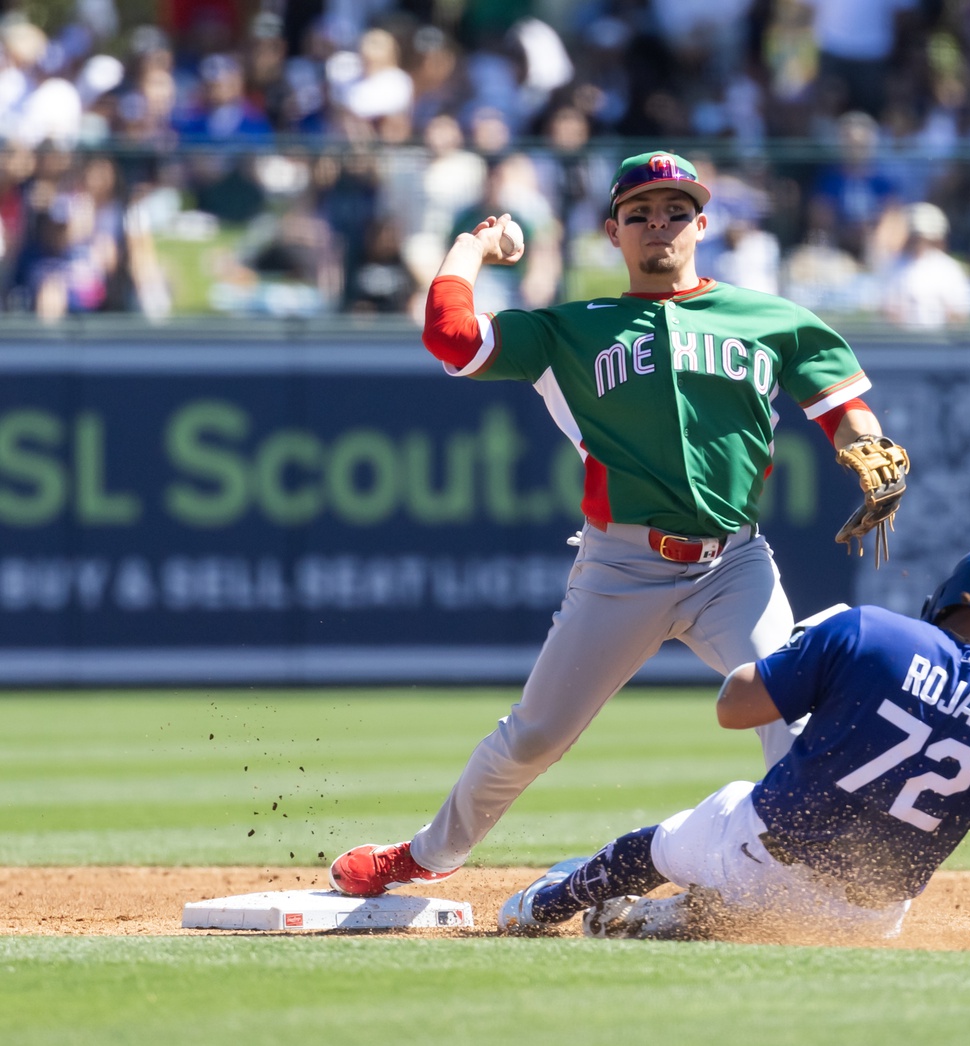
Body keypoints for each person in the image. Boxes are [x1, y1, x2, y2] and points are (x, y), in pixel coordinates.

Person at [329, 150, 901, 897]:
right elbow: (452, 339)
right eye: (639, 214)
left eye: (674, 211)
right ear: (613, 232)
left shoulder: (771, 320)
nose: (658, 224)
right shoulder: (572, 332)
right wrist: (473, 247)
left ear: (703, 224)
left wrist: (863, 443)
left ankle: (825, 869)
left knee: (790, 713)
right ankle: (427, 856)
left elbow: (843, 409)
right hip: (622, 567)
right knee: (534, 734)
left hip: (735, 565)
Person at [495, 543, 970, 949]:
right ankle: (678, 923)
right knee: (737, 895)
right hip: (868, 921)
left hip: (756, 857)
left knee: (652, 847)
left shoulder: (869, 629)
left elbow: (733, 707)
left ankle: (538, 909)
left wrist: (808, 648)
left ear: (943, 598)